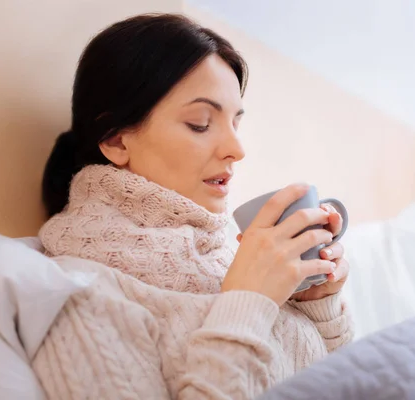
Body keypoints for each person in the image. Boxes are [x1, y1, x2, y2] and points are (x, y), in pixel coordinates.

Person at [32, 13, 353, 400]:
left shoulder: (223, 259)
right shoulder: (77, 292)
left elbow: (351, 384)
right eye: (201, 123)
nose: (237, 149)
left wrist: (319, 307)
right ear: (116, 140)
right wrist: (249, 302)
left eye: (236, 122)